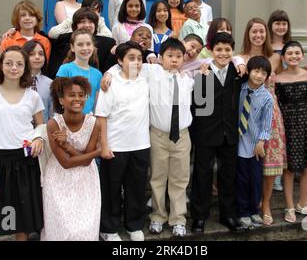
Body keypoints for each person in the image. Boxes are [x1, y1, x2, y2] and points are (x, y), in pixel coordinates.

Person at [102, 38, 194, 237]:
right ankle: (157, 216)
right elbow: (125, 63)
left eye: (179, 56)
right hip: (158, 135)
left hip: (183, 136)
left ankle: (178, 218)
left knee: (180, 179)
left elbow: (208, 65)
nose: (175, 60)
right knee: (157, 178)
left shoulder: (189, 78)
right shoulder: (151, 72)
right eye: (170, 56)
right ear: (161, 58)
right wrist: (108, 74)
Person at [0, 46, 44, 241]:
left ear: (25, 68)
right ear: (1, 66)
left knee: (22, 226)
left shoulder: (33, 96)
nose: (14, 67)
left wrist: (39, 137)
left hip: (26, 164)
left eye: (19, 64)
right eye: (9, 63)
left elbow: (41, 126)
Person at [41, 76, 109, 241]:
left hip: (86, 179)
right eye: (72, 95)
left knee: (85, 230)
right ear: (61, 100)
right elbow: (65, 163)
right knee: (62, 230)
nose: (77, 99)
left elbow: (85, 162)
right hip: (58, 180)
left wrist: (67, 147)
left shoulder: (94, 123)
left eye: (81, 95)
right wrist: (99, 151)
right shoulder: (53, 124)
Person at [190, 32, 245, 234]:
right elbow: (196, 104)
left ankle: (228, 214)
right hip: (205, 133)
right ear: (211, 50)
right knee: (202, 175)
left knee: (228, 175)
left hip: (230, 133)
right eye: (219, 49)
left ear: (232, 51)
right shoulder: (201, 72)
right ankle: (199, 217)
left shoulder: (239, 72)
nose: (223, 53)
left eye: (227, 50)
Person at [96, 41, 150, 241]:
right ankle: (108, 228)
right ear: (120, 60)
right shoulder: (110, 83)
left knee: (136, 187)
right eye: (131, 58)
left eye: (139, 58)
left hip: (141, 144)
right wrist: (104, 145)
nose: (136, 62)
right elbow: (101, 115)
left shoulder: (146, 79)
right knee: (111, 188)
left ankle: (134, 225)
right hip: (116, 144)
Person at [275, 41, 307, 223]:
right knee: (289, 168)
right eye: (290, 53)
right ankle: (289, 206)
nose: (294, 56)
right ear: (284, 57)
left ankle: (302, 203)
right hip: (286, 126)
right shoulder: (278, 78)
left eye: (297, 53)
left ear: (302, 56)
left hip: (306, 125)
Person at [236, 56, 274, 229]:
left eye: (263, 73)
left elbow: (267, 122)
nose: (259, 75)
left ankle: (253, 210)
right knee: (241, 179)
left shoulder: (266, 97)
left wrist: (261, 141)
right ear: (249, 71)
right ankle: (243, 212)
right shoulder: (240, 89)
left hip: (254, 145)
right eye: (256, 71)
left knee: (255, 180)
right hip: (238, 142)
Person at [267, 10, 292, 192]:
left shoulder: (290, 45)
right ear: (271, 25)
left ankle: (281, 175)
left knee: (286, 135)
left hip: (288, 92)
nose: (281, 27)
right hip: (273, 91)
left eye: (284, 23)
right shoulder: (267, 45)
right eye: (277, 23)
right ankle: (272, 176)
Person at [56, 29, 102, 115]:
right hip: (68, 118)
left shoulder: (98, 74)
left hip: (89, 120)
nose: (85, 48)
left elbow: (97, 103)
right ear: (72, 47)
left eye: (88, 44)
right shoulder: (65, 69)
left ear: (93, 46)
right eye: (80, 45)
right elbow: (59, 97)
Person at [22, 40, 53, 122]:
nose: (37, 57)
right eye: (31, 54)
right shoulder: (17, 82)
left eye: (41, 54)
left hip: (42, 131)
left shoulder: (50, 84)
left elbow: (52, 113)